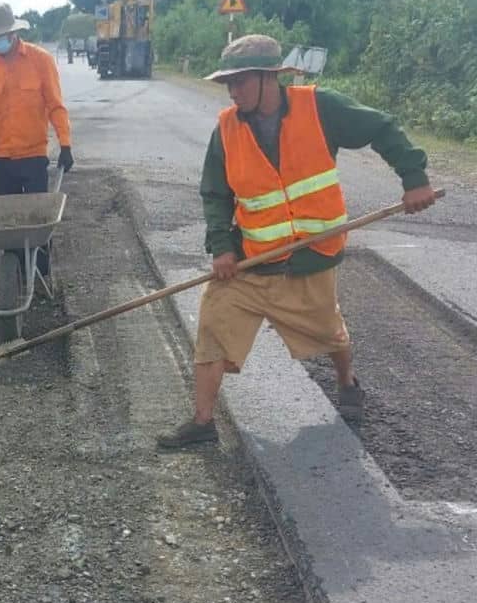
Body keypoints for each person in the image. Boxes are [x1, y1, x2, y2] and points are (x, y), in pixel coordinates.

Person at [156, 34, 437, 449]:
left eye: (241, 82)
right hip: (253, 261)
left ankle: (347, 383)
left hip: (311, 256)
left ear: (270, 78)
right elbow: (215, 193)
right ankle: (203, 422)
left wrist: (414, 179)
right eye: (228, 84)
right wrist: (222, 247)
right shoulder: (227, 127)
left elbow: (382, 126)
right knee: (214, 326)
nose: (233, 92)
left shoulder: (319, 107)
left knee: (329, 333)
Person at [0, 4, 74, 276]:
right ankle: (13, 275)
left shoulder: (40, 61)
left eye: (0, 36)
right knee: (8, 227)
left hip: (34, 156)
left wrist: (65, 144)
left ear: (13, 33)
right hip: (1, 159)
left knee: (38, 223)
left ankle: (41, 277)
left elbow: (55, 105)